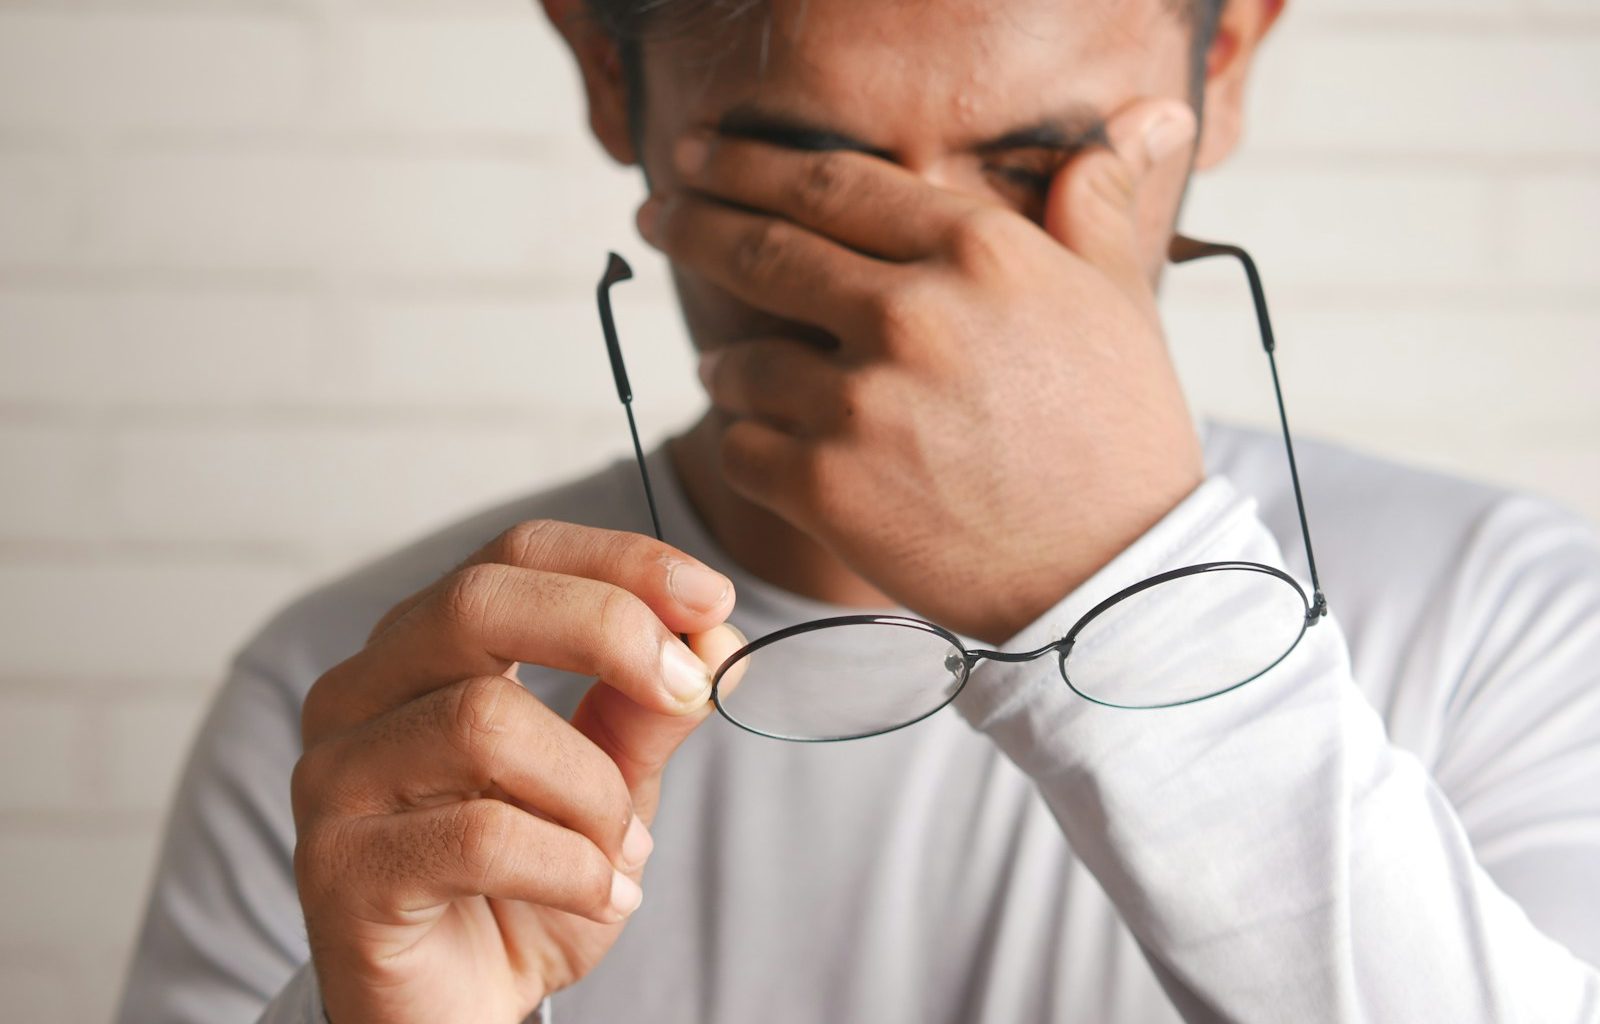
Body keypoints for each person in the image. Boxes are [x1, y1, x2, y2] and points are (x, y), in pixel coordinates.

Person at [116, 0, 1600, 1021]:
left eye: (1037, 168)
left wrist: (1122, 577)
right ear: (606, 68)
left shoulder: (1515, 625)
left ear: (1230, 56)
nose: (936, 278)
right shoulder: (389, 719)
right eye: (807, 175)